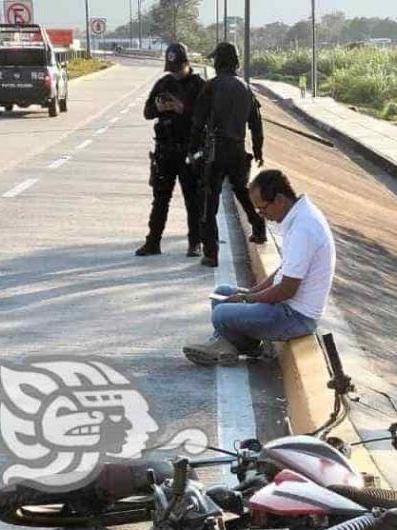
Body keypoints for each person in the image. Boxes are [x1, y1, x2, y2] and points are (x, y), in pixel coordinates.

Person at [183, 169, 335, 367]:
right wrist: (251, 292)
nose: (262, 215)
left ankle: (225, 343)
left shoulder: (303, 228)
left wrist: (248, 299)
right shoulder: (298, 217)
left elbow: (287, 289)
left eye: (262, 209)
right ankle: (233, 345)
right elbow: (284, 270)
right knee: (222, 293)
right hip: (284, 306)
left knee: (221, 314)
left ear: (279, 200)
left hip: (295, 316)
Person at [189, 42, 267, 268]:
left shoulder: (212, 86)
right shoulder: (245, 88)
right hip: (238, 149)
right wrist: (259, 149)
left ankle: (211, 253)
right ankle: (258, 227)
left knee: (209, 201)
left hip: (215, 152)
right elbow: (256, 123)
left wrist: (193, 150)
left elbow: (198, 122)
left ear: (220, 62)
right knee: (241, 192)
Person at [135, 42, 204, 258]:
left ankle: (195, 243)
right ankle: (153, 242)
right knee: (160, 198)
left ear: (186, 63)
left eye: (177, 69)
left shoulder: (199, 85)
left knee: (193, 200)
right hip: (165, 150)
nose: (174, 74)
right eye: (171, 69)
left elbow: (206, 118)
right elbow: (147, 112)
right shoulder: (163, 83)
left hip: (189, 151)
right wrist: (159, 107)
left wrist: (182, 108)